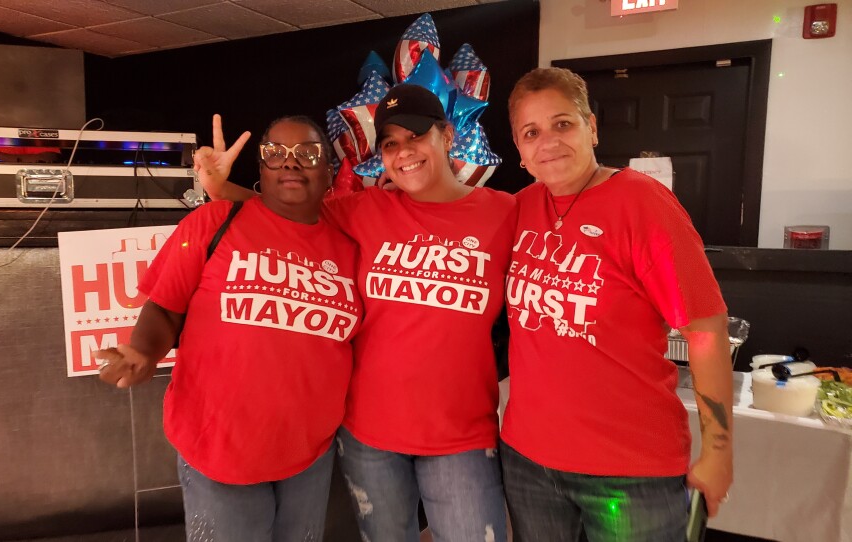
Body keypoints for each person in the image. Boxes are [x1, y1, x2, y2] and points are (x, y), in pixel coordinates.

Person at [199, 84, 517, 542]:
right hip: (369, 434)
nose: (403, 153)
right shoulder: (364, 210)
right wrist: (216, 187)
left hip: (461, 435)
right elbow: (279, 214)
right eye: (390, 144)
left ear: (447, 136)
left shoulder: (505, 212)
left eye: (416, 136)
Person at [95, 115, 362, 541]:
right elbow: (165, 309)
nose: (290, 164)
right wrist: (143, 352)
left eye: (307, 154)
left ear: (329, 171)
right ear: (261, 170)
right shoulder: (214, 223)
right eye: (276, 154)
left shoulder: (350, 246)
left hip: (308, 454)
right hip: (219, 447)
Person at [498, 67, 734, 541]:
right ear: (520, 152)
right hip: (529, 463)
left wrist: (719, 452)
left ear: (593, 127)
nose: (549, 141)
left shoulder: (643, 203)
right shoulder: (518, 208)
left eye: (563, 123)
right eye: (531, 132)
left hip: (631, 472)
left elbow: (706, 329)